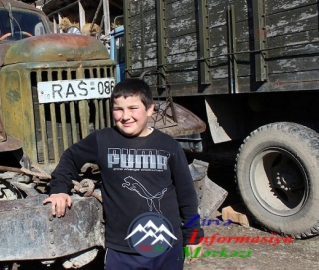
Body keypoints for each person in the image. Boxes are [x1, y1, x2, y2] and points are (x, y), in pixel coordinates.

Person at [43, 78, 203, 269]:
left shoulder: (169, 146)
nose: (125, 116)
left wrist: (193, 235)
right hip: (122, 249)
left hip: (167, 245)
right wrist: (60, 189)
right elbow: (70, 157)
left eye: (133, 108)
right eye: (118, 109)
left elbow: (187, 195)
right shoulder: (102, 140)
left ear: (150, 109)